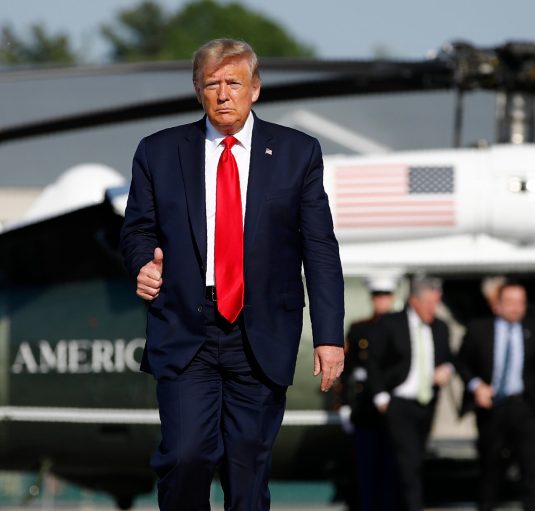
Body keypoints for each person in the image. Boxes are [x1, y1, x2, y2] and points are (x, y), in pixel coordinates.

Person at [119, 38, 345, 510]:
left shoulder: (296, 153)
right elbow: (137, 229)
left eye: (234, 83)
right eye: (212, 84)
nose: (223, 94)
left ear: (255, 89)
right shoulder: (158, 152)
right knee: (186, 457)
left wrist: (329, 336)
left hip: (260, 333)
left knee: (247, 472)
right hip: (185, 327)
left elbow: (319, 248)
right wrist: (143, 263)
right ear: (198, 91)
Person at [457, 282, 535, 511]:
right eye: (510, 302)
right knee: (490, 469)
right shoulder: (479, 329)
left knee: (531, 469)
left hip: (527, 407)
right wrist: (476, 387)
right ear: (497, 305)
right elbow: (462, 363)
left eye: (520, 303)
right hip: (493, 407)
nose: (516, 308)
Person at [367, 277, 454, 511]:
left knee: (413, 459)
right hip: (398, 404)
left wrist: (446, 369)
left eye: (436, 304)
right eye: (429, 303)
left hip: (426, 403)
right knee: (409, 460)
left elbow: (447, 358)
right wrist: (381, 397)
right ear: (415, 301)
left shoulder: (440, 326)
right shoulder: (391, 324)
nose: (432, 309)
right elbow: (374, 363)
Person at [338, 275, 399, 511]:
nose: (381, 301)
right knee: (366, 465)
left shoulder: (400, 326)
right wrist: (344, 404)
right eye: (377, 296)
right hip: (365, 407)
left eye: (385, 296)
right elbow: (348, 368)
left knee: (393, 465)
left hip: (395, 405)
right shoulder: (359, 329)